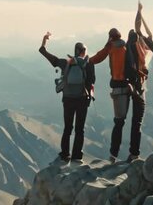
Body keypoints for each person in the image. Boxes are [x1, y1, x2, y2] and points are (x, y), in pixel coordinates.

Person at [40, 32, 96, 163]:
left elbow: (48, 56)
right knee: (80, 129)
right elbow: (91, 81)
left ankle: (65, 154)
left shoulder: (66, 62)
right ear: (83, 52)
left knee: (67, 128)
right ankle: (77, 156)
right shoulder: (89, 64)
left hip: (68, 99)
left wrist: (44, 42)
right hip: (82, 99)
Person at [88, 28, 137, 163]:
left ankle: (113, 155)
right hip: (131, 86)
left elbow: (97, 58)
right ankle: (134, 153)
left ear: (110, 38)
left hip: (118, 88)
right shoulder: (127, 46)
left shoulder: (111, 47)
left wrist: (86, 60)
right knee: (134, 120)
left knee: (119, 122)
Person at [122, 1, 153, 162]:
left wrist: (139, 13)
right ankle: (134, 153)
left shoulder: (129, 47)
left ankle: (115, 154)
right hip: (141, 86)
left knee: (121, 120)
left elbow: (137, 29)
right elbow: (142, 30)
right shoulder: (146, 50)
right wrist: (139, 13)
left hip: (127, 85)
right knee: (137, 121)